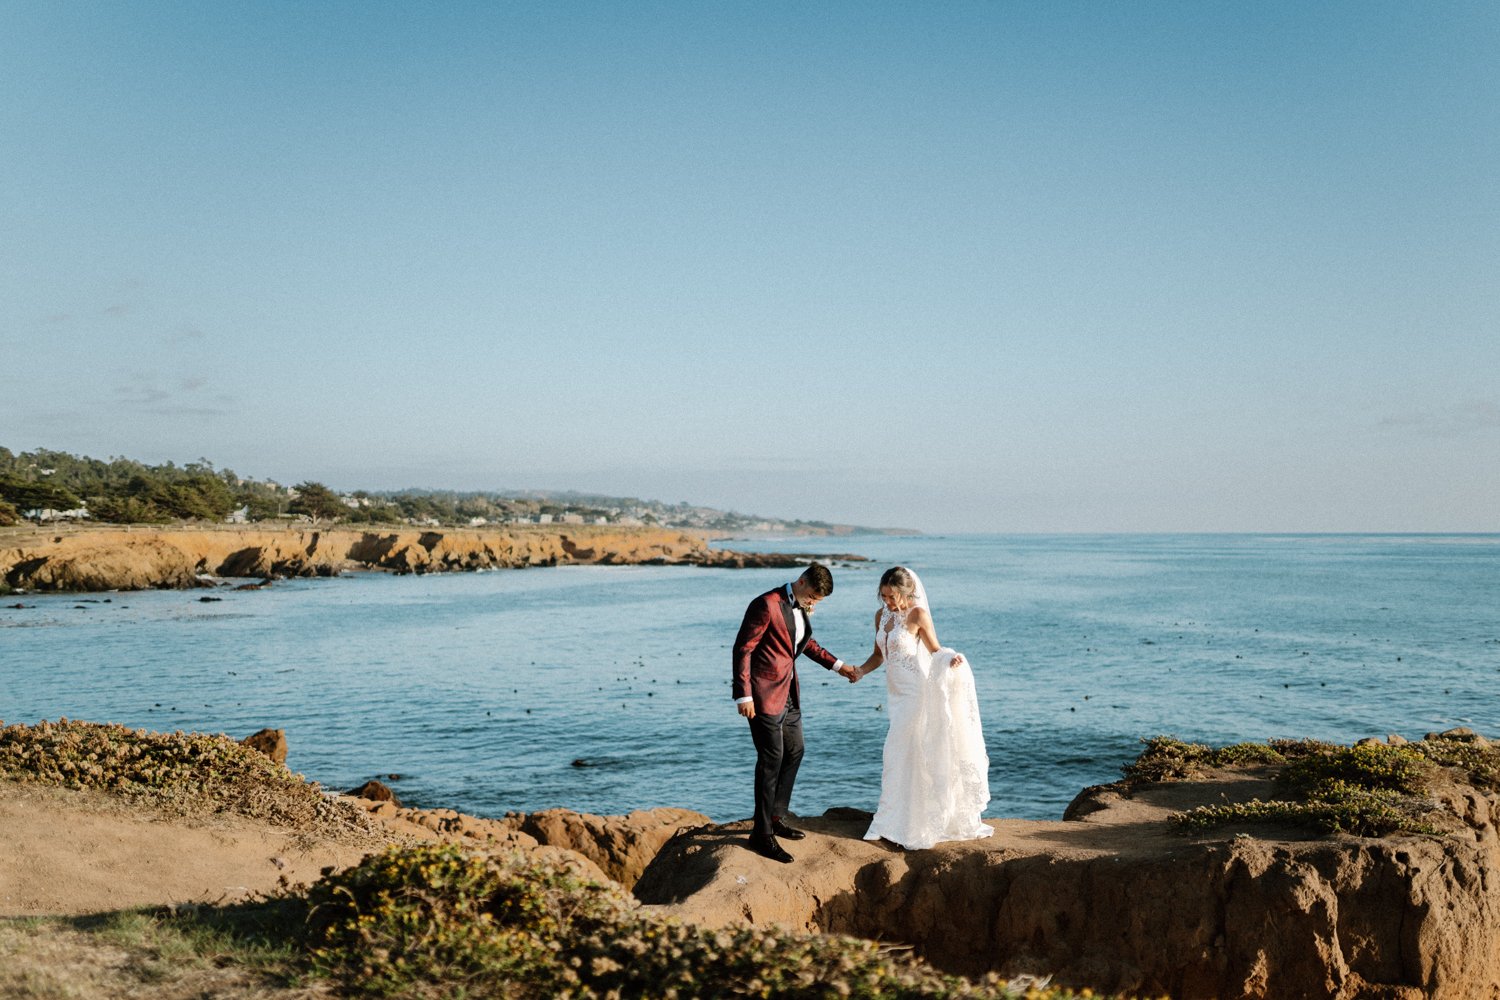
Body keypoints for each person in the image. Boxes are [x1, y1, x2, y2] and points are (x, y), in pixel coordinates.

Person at [851, 566, 992, 849]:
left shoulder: (918, 614)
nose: (887, 602)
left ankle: (912, 821)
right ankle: (893, 818)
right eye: (883, 596)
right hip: (896, 695)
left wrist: (951, 660)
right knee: (900, 753)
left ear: (905, 592)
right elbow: (880, 655)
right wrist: (861, 671)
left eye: (892, 597)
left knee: (901, 750)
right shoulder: (881, 616)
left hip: (916, 693)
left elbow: (935, 650)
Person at [732, 562, 858, 863]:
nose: (814, 603)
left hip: (788, 693)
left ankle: (776, 817)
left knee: (796, 750)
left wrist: (839, 667)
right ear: (801, 582)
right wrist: (743, 694)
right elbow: (743, 649)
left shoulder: (801, 606)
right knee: (770, 759)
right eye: (813, 596)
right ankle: (761, 834)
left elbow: (804, 643)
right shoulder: (766, 604)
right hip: (762, 694)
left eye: (818, 601)